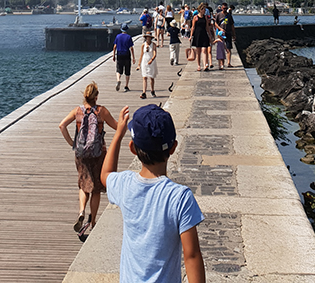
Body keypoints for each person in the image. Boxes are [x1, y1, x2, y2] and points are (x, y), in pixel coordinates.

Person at [101, 104, 205, 283]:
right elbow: (192, 256)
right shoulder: (180, 197)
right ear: (173, 148)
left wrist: (118, 133)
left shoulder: (124, 183)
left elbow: (105, 175)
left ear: (133, 148)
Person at [59, 81, 118, 240]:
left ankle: (81, 212)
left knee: (84, 185)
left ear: (85, 96)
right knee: (96, 189)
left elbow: (62, 125)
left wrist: (72, 143)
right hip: (99, 153)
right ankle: (92, 222)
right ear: (96, 96)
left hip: (81, 154)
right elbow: (117, 126)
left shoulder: (77, 111)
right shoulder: (101, 111)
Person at [190, 4, 213, 72]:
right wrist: (191, 36)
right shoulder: (195, 17)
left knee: (204, 50)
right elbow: (193, 27)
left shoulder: (205, 17)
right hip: (197, 35)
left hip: (204, 34)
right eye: (204, 10)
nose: (205, 11)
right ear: (200, 10)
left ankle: (205, 64)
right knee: (198, 51)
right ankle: (199, 65)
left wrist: (210, 36)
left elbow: (207, 27)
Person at [113, 24, 135, 92]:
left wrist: (113, 55)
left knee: (118, 69)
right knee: (127, 71)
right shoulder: (128, 37)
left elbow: (114, 46)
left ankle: (118, 80)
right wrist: (133, 57)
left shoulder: (118, 36)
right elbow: (131, 48)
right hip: (126, 54)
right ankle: (126, 86)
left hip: (119, 53)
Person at [137, 31, 158, 98]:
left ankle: (152, 90)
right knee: (144, 77)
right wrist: (139, 64)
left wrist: (151, 60)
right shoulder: (143, 45)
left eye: (149, 37)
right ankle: (144, 92)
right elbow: (141, 55)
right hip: (144, 61)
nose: (148, 39)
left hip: (151, 62)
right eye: (147, 37)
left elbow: (154, 54)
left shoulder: (153, 44)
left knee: (151, 77)